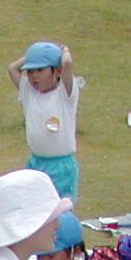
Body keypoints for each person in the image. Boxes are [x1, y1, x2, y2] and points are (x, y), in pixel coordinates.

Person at [7, 41, 82, 200]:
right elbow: (12, 68)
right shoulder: (29, 92)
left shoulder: (65, 94)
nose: (34, 76)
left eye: (40, 70)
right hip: (36, 163)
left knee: (60, 207)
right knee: (36, 205)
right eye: (30, 71)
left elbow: (67, 64)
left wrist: (63, 52)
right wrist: (31, 57)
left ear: (57, 70)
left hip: (61, 166)